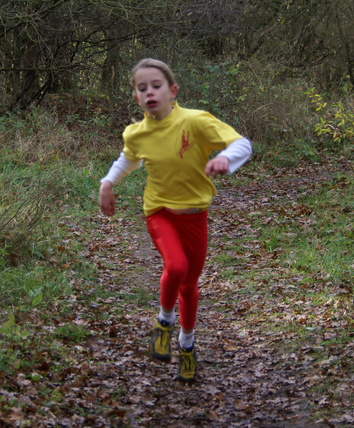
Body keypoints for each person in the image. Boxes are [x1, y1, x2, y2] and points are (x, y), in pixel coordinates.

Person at [98, 58, 252, 382]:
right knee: (177, 267)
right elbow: (126, 160)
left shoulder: (195, 122)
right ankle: (163, 321)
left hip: (195, 216)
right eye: (143, 88)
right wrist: (107, 183)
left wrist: (225, 156)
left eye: (156, 86)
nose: (150, 92)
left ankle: (187, 345)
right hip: (159, 213)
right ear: (137, 98)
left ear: (173, 91)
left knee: (190, 285)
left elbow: (243, 144)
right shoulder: (137, 134)